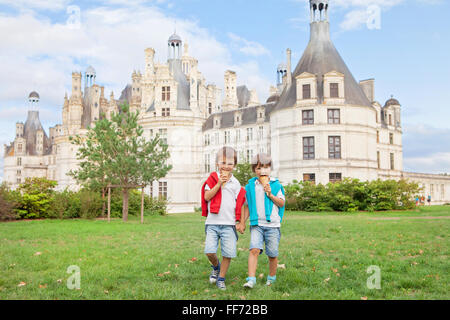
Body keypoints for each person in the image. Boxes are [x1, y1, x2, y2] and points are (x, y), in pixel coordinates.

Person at [201, 147, 246, 290]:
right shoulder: (212, 179)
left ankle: (221, 277)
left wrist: (241, 221)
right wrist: (219, 183)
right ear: (216, 163)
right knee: (209, 251)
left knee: (228, 253)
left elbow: (241, 203)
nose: (226, 166)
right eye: (223, 162)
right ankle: (216, 266)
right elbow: (207, 196)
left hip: (229, 224)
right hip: (212, 223)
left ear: (235, 165)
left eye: (230, 163)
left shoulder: (235, 183)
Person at [238, 153, 286, 289]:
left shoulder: (276, 185)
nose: (262, 171)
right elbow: (247, 206)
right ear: (254, 170)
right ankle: (251, 279)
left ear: (270, 169)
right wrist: (242, 222)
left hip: (273, 225)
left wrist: (270, 194)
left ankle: (271, 277)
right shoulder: (250, 186)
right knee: (254, 249)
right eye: (259, 168)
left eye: (265, 168)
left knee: (272, 254)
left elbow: (281, 203)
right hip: (256, 224)